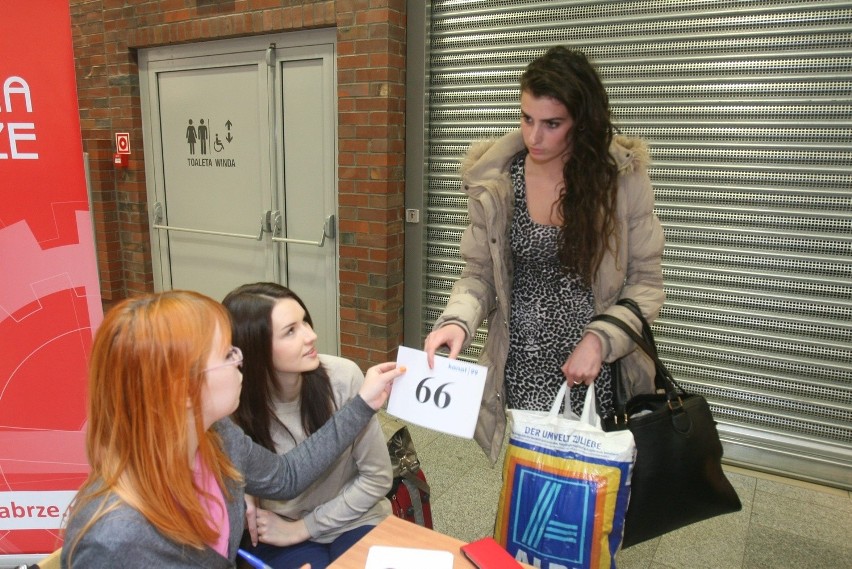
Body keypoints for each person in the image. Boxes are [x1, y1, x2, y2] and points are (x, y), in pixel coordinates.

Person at [424, 46, 665, 463]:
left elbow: (645, 283)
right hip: (520, 364)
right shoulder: (497, 181)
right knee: (528, 489)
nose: (535, 136)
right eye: (527, 119)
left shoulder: (620, 180)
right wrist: (458, 322)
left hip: (593, 367)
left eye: (552, 124)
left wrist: (599, 340)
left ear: (582, 122)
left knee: (588, 498)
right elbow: (479, 273)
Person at [60, 290, 404, 569]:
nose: (240, 361)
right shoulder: (115, 538)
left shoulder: (218, 437)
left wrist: (361, 404)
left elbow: (285, 476)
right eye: (226, 354)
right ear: (182, 390)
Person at [222, 283, 392, 569]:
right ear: (253, 347)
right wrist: (245, 491)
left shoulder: (343, 377)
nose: (311, 335)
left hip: (353, 518)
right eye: (291, 331)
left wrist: (302, 528)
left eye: (305, 322)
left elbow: (377, 478)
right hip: (274, 529)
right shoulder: (230, 400)